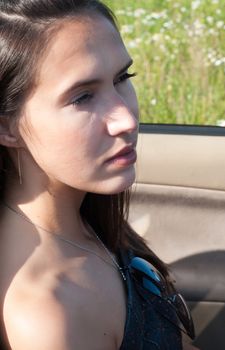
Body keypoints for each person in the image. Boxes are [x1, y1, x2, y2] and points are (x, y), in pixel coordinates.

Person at [0, 1, 197, 349]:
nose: (127, 119)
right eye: (83, 97)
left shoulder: (83, 217)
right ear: (6, 127)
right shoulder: (50, 315)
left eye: (123, 78)